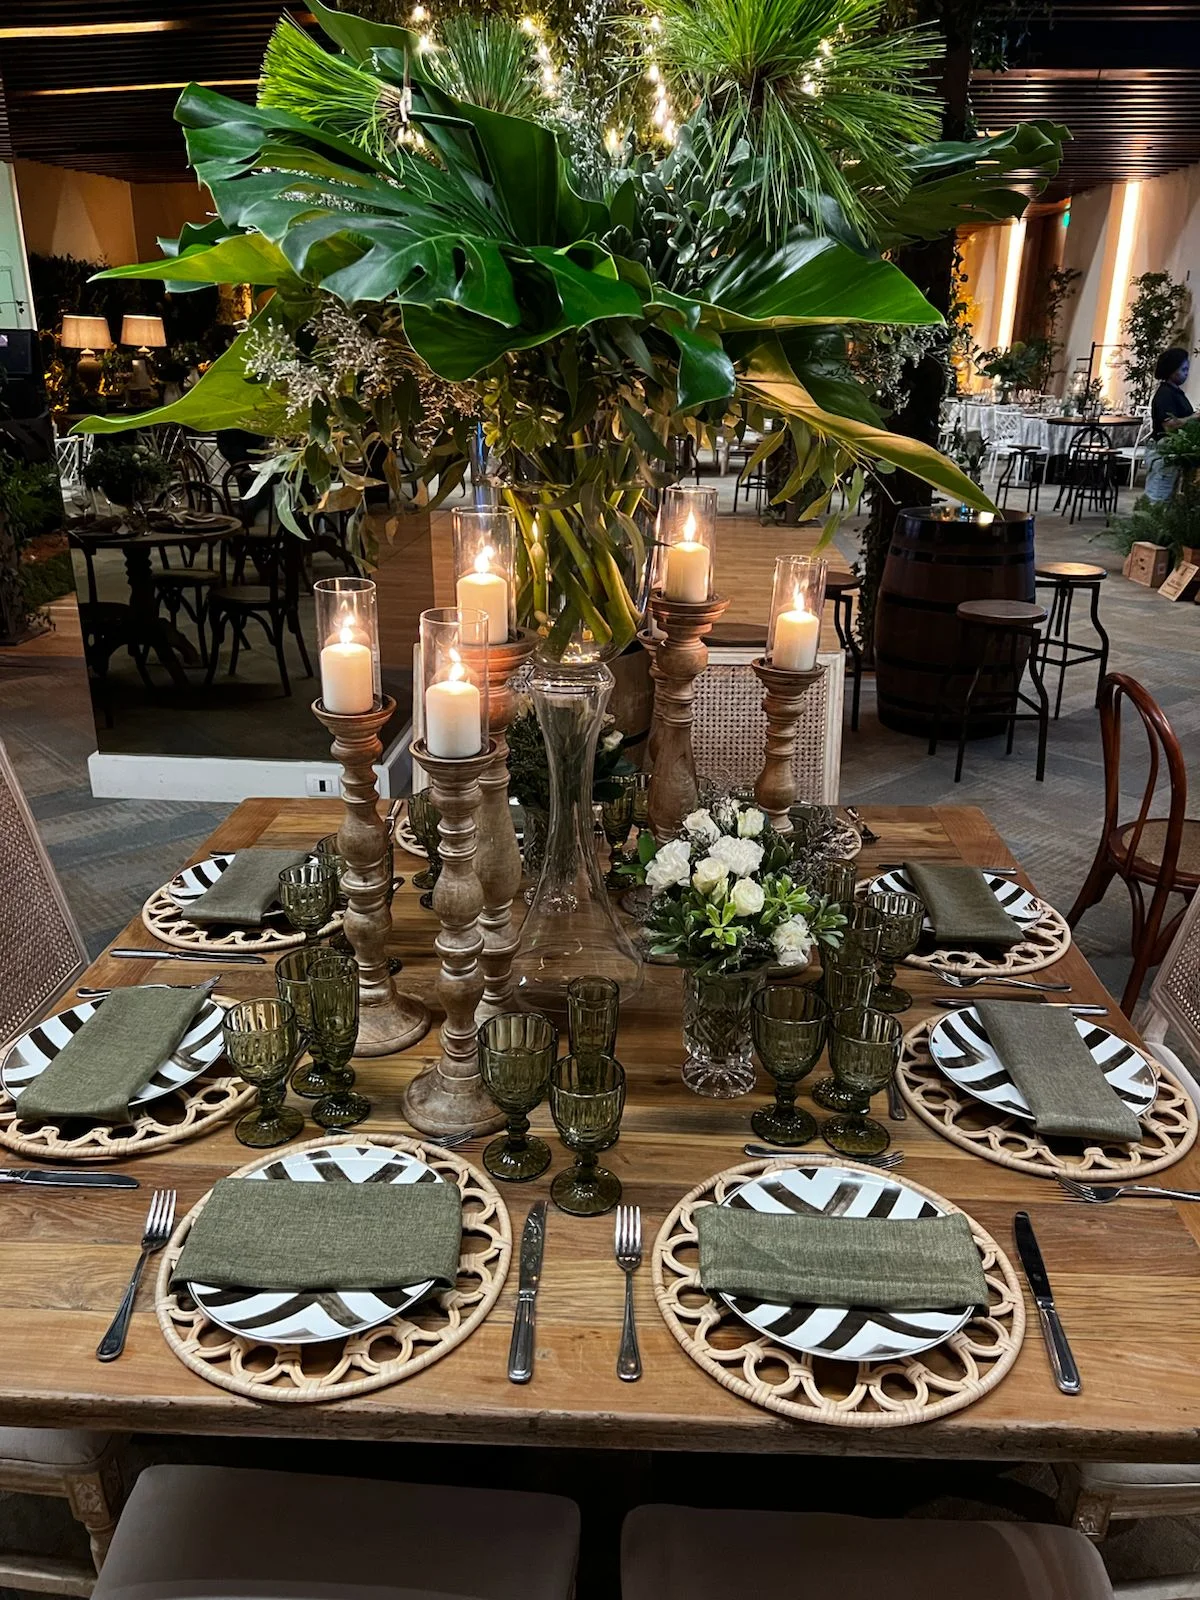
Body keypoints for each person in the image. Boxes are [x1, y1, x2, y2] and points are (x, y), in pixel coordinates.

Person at [1144, 347, 1193, 503]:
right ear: (1172, 370)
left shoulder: (1175, 392)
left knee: (1167, 498)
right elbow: (1169, 425)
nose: (1186, 373)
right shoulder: (1165, 394)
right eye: (1183, 369)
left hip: (1170, 452)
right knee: (1158, 497)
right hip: (1162, 452)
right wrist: (1194, 417)